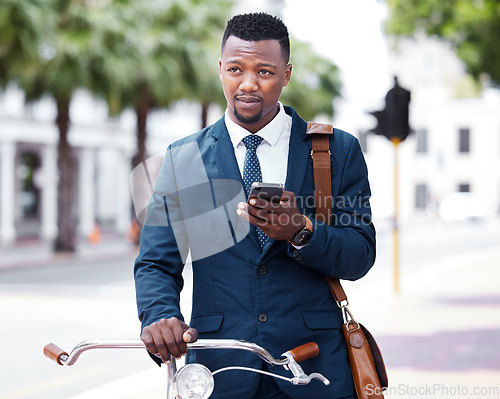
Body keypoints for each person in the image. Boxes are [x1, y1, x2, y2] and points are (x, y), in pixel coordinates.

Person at [134, 12, 375, 399]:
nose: (247, 84)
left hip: (314, 370)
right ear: (220, 70)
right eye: (235, 69)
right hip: (222, 369)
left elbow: (360, 255)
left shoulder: (334, 151)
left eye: (264, 71)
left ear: (287, 73)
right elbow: (156, 262)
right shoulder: (186, 159)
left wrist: (302, 231)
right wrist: (160, 314)